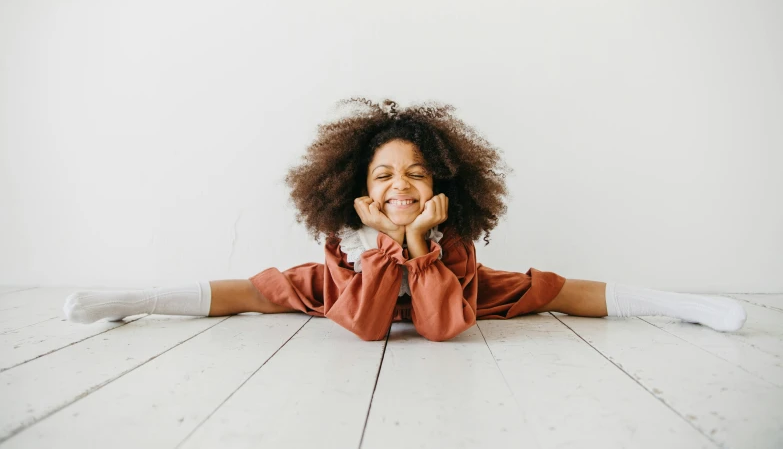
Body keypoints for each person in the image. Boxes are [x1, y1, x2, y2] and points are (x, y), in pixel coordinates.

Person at [63, 98, 747, 341]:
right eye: (383, 176)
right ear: (357, 188)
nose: (399, 185)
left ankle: (683, 306)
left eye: (416, 174)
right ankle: (130, 301)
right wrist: (386, 246)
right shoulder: (341, 244)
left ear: (440, 183)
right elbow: (362, 324)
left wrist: (419, 245)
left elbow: (442, 325)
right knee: (256, 291)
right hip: (352, 291)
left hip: (447, 284)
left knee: (553, 290)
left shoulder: (451, 237)